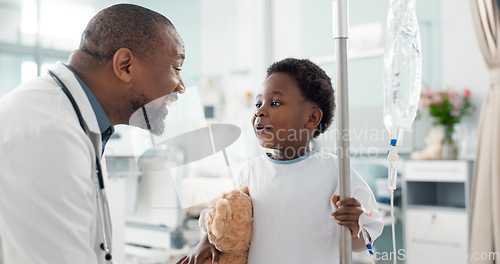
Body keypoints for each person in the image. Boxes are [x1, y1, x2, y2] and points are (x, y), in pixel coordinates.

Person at [0, 4, 185, 264]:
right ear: (125, 65)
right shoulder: (51, 132)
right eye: (176, 68)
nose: (181, 86)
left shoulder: (77, 121)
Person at [179, 58, 383, 264]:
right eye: (258, 104)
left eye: (275, 103)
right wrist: (207, 240)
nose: (259, 111)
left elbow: (364, 241)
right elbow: (224, 216)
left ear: (312, 118)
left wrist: (354, 228)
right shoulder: (249, 172)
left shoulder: (334, 171)